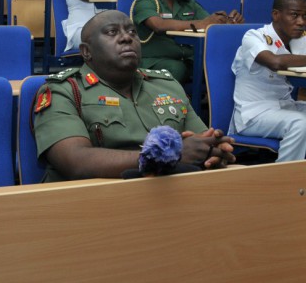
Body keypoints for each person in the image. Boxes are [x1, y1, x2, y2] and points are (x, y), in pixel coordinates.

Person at [32, 10, 235, 182]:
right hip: (93, 202)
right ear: (86, 51)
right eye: (112, 32)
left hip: (170, 195)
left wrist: (212, 151)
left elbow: (199, 141)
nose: (126, 37)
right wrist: (167, 156)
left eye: (132, 32)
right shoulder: (64, 91)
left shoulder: (166, 85)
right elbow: (75, 162)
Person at [131, 0, 244, 83]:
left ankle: (208, 100)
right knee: (176, 68)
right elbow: (158, 25)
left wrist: (228, 23)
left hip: (186, 58)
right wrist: (201, 24)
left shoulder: (187, 1)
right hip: (155, 60)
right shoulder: (146, 1)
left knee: (216, 61)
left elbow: (209, 23)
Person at [230, 0, 306, 161]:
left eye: (304, 16)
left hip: (285, 106)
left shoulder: (299, 41)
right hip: (254, 114)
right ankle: (284, 183)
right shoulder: (254, 37)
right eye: (294, 15)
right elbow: (275, 62)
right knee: (300, 123)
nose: (301, 22)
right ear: (276, 15)